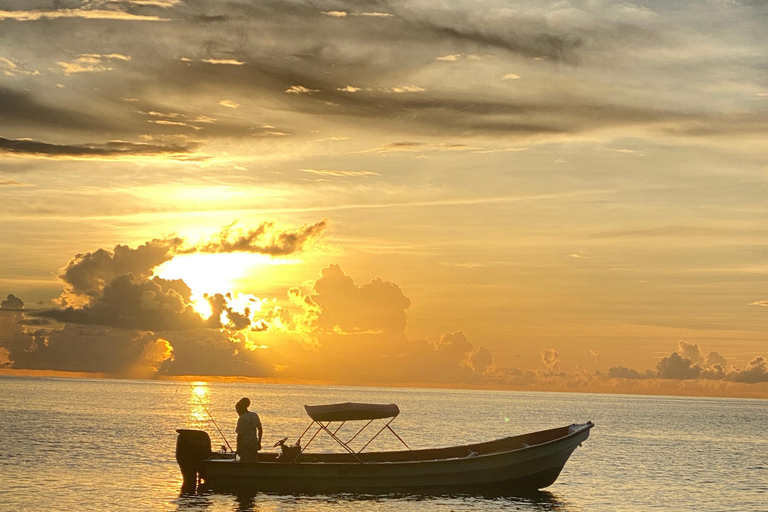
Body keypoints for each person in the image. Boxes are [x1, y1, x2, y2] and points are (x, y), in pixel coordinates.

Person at [235, 397, 262, 462]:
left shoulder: (242, 418)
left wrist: (238, 449)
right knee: (254, 460)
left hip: (245, 444)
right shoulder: (254, 415)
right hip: (254, 442)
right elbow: (260, 430)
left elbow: (239, 435)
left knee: (245, 462)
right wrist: (259, 442)